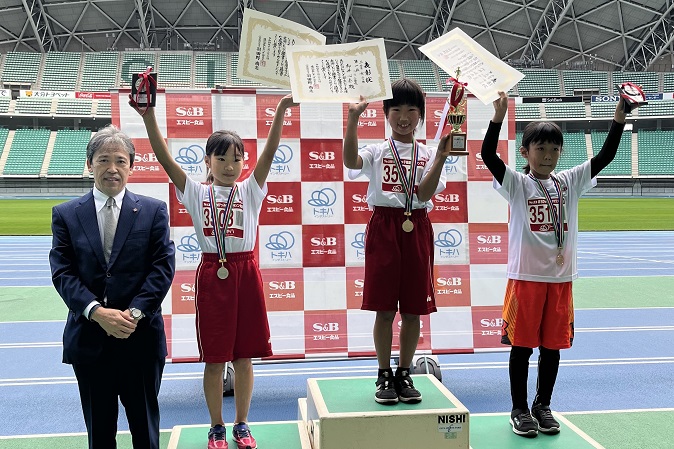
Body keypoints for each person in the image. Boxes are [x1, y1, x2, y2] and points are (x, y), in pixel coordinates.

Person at [134, 94, 297, 449]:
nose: (229, 165)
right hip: (213, 273)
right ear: (207, 160)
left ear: (243, 163)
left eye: (236, 159)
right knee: (214, 358)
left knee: (243, 357)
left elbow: (269, 154)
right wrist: (147, 117)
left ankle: (242, 424)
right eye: (221, 158)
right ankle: (216, 426)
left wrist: (282, 111)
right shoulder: (194, 192)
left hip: (245, 274)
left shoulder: (251, 190)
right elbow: (164, 157)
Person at [482, 91, 635, 437]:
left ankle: (543, 405)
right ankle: (519, 409)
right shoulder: (518, 184)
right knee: (522, 347)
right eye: (541, 149)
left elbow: (607, 155)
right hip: (525, 279)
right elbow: (488, 155)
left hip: (561, 281)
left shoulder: (569, 182)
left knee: (552, 348)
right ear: (526, 152)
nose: (548, 156)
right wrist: (498, 117)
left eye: (554, 150)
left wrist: (619, 117)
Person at [49, 125, 176, 449]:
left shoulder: (153, 210)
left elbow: (162, 268)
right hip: (90, 342)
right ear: (90, 164)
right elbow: (63, 272)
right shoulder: (65, 214)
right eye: (103, 160)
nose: (112, 168)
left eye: (120, 161)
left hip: (140, 339)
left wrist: (133, 313)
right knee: (100, 433)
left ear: (132, 166)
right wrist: (97, 312)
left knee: (145, 430)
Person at [344, 78, 457, 404]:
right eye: (396, 110)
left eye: (411, 110)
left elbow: (423, 193)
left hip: (418, 227)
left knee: (412, 311)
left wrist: (441, 158)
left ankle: (404, 372)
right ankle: (383, 375)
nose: (404, 116)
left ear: (421, 115)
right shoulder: (377, 150)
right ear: (386, 113)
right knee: (383, 310)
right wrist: (352, 119)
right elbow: (350, 162)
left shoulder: (428, 153)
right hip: (384, 227)